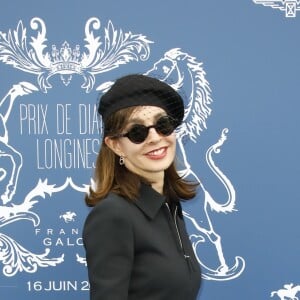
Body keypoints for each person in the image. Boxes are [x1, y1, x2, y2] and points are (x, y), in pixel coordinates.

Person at [82, 74, 201, 300]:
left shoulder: (169, 207)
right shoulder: (113, 215)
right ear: (116, 145)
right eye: (137, 132)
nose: (155, 138)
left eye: (163, 125)